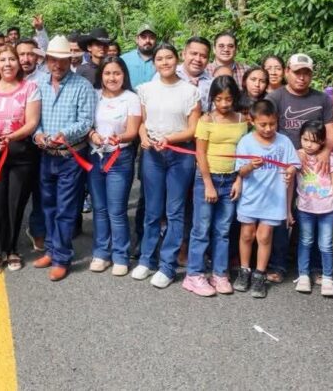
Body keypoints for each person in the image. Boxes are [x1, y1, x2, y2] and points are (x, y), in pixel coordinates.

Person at [132, 43, 201, 288]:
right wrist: (143, 138)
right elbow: (141, 122)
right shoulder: (146, 89)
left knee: (174, 211)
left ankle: (167, 265)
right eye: (159, 59)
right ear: (154, 63)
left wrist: (168, 139)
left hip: (180, 156)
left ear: (177, 59)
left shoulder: (189, 91)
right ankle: (146, 259)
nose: (164, 62)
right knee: (152, 210)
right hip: (153, 155)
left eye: (169, 58)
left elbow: (193, 129)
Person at [265, 53, 333, 283]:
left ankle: (314, 267)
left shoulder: (322, 99)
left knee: (315, 210)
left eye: (306, 73)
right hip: (284, 163)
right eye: (297, 72)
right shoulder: (276, 97)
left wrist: (325, 150)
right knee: (281, 213)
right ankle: (278, 264)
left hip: (315, 166)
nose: (302, 77)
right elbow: (267, 130)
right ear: (287, 72)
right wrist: (292, 152)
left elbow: (331, 130)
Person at [32, 36, 95, 281]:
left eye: (61, 60)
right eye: (52, 60)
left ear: (70, 60)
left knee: (66, 208)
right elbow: (33, 118)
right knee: (47, 204)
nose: (56, 65)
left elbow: (85, 121)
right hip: (46, 154)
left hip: (71, 155)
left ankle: (62, 257)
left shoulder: (82, 86)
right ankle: (51, 248)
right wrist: (37, 136)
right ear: (46, 60)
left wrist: (63, 134)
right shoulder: (39, 84)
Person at [0, 46, 41, 275]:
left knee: (15, 202)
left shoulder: (30, 88)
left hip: (20, 151)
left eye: (12, 59)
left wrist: (10, 137)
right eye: (2, 59)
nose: (8, 64)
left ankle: (12, 249)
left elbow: (32, 122)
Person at [183, 75, 248, 297]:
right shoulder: (206, 120)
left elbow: (244, 152)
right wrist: (208, 184)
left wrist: (239, 179)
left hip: (231, 179)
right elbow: (200, 153)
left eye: (228, 99)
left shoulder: (242, 119)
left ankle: (220, 274)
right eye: (219, 99)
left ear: (234, 98)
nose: (223, 104)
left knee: (223, 230)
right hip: (207, 179)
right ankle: (194, 275)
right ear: (212, 98)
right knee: (201, 229)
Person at [232, 99, 300, 298]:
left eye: (272, 124)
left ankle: (260, 274)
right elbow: (240, 171)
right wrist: (250, 166)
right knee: (247, 234)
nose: (268, 128)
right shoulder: (246, 142)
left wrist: (290, 170)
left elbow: (293, 164)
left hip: (274, 198)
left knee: (264, 236)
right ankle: (244, 271)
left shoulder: (284, 141)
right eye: (263, 124)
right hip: (251, 197)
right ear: (251, 121)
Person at [86, 58, 139, 276]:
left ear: (124, 75)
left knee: (116, 210)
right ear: (101, 75)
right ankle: (101, 253)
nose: (112, 78)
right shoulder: (94, 95)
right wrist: (93, 135)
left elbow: (133, 131)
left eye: (116, 73)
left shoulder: (131, 99)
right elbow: (88, 124)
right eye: (107, 73)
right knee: (99, 209)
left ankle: (120, 255)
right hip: (95, 156)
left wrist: (119, 138)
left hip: (120, 157)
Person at [294, 120, 333, 297]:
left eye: (313, 141)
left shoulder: (329, 158)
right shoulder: (297, 156)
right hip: (305, 208)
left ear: (322, 142)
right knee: (306, 242)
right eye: (305, 139)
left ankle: (328, 278)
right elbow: (289, 180)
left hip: (327, 209)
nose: (308, 144)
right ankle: (303, 275)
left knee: (326, 245)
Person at [15, 38, 47, 250]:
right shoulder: (6, 80)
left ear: (37, 57)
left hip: (39, 143)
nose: (25, 59)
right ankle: (9, 238)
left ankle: (37, 230)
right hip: (13, 145)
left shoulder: (45, 79)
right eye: (21, 55)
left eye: (30, 54)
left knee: (40, 191)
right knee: (15, 194)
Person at [176, 36, 213, 111]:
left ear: (208, 59)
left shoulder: (212, 83)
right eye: (194, 54)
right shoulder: (169, 74)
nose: (198, 59)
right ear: (183, 54)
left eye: (203, 56)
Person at [120, 24, 157, 89]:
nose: (147, 40)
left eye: (151, 37)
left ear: (155, 40)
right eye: (144, 37)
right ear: (137, 40)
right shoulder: (124, 59)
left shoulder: (161, 60)